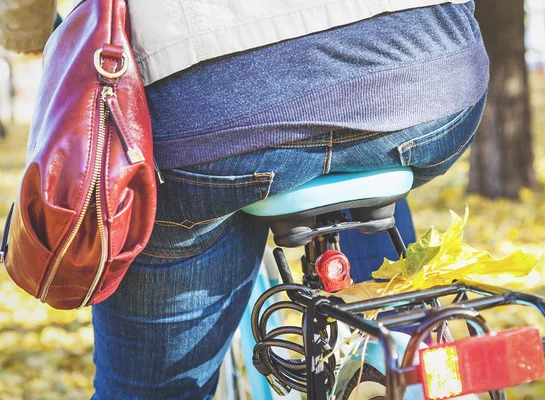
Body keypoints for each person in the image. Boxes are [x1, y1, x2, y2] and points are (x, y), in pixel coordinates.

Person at [1, 0, 488, 398]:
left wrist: (28, 33)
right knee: (362, 156)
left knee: (152, 391)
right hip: (431, 81)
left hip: (211, 116)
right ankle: (413, 357)